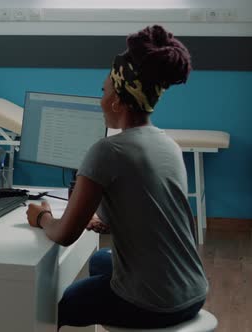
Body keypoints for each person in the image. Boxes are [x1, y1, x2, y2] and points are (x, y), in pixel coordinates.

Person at [26, 25, 208, 329]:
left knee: (54, 308)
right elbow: (167, 216)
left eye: (103, 91)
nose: (100, 99)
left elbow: (64, 234)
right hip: (194, 290)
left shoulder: (107, 151)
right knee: (99, 262)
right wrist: (108, 220)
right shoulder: (168, 144)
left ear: (116, 102)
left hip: (153, 305)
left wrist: (42, 216)